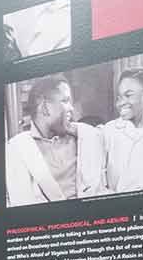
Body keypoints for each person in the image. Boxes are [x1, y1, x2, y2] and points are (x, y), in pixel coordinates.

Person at [6, 75, 106, 204]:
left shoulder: (86, 135)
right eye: (65, 101)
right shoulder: (17, 149)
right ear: (44, 107)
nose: (71, 108)